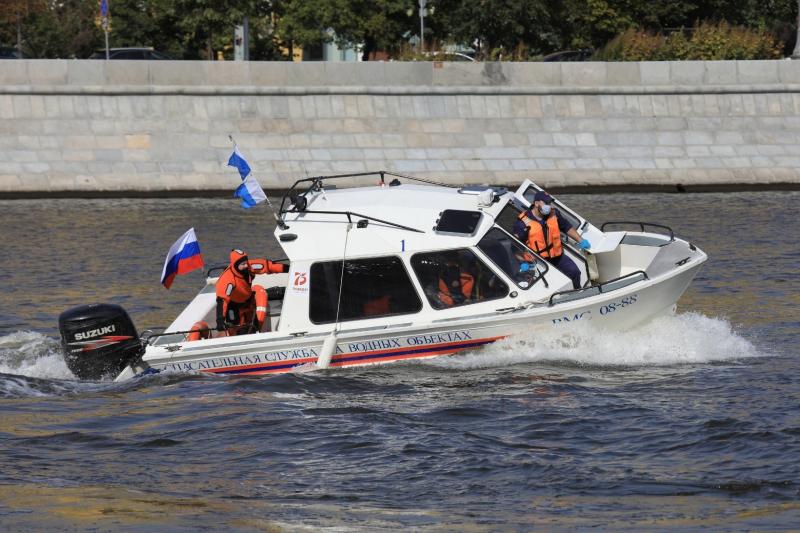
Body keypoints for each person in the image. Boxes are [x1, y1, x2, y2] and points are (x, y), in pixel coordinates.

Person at [513, 191, 590, 290]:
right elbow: (515, 245)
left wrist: (581, 240)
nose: (548, 206)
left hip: (557, 256)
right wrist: (522, 262)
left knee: (574, 272)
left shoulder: (554, 214)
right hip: (539, 261)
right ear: (536, 203)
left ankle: (577, 293)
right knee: (546, 286)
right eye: (546, 203)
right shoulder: (522, 223)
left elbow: (567, 228)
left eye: (549, 203)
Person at [216, 249, 288, 335]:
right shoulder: (228, 280)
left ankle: (256, 330)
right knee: (236, 331)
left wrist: (287, 268)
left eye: (246, 262)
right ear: (235, 265)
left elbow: (267, 266)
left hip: (248, 300)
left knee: (251, 322)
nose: (246, 265)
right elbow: (222, 300)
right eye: (243, 264)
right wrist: (220, 320)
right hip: (233, 306)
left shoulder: (249, 266)